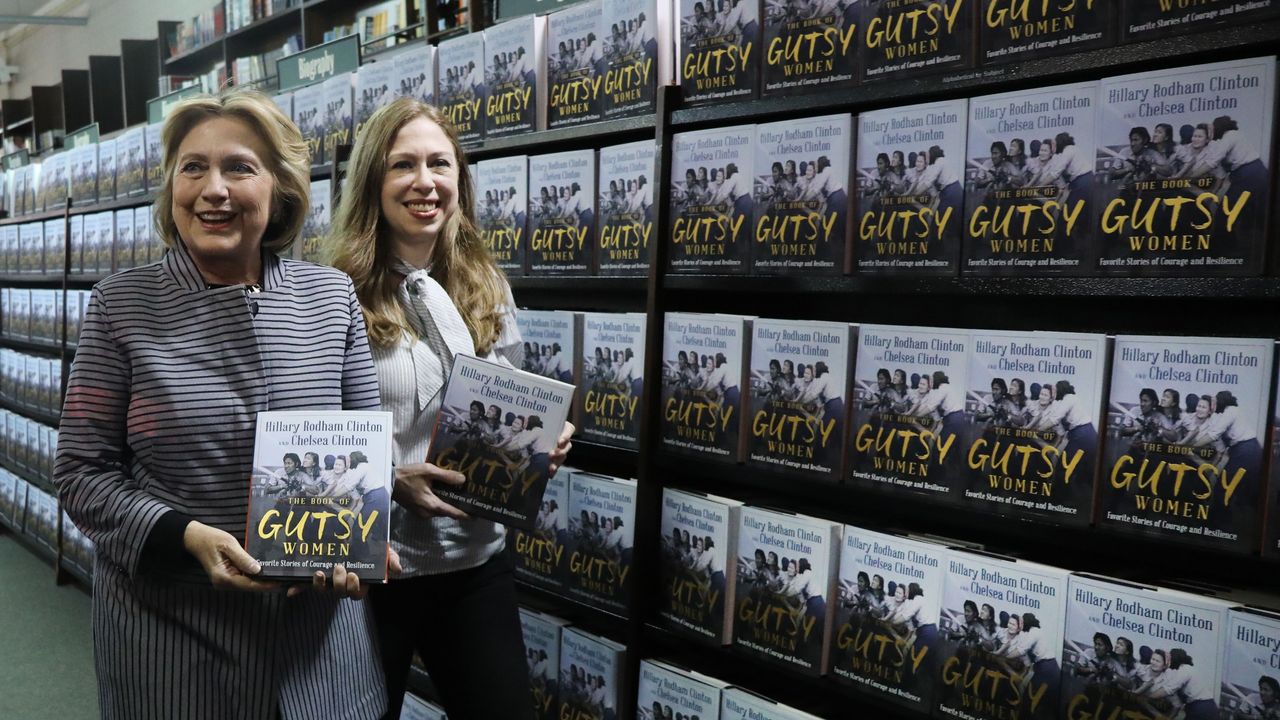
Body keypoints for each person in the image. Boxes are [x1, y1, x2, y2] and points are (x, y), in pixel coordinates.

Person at [54, 89, 388, 719]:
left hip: (317, 645)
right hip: (172, 634)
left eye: (239, 167)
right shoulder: (120, 305)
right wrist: (183, 535)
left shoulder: (331, 298)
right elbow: (81, 473)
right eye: (193, 167)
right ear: (171, 185)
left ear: (280, 188)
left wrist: (363, 539)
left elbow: (365, 459)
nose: (214, 189)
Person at [327, 97, 574, 720]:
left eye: (440, 163)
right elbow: (307, 431)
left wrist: (540, 436)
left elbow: (506, 390)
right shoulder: (329, 290)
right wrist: (385, 479)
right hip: (370, 570)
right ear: (372, 183)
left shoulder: (483, 280)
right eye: (402, 165)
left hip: (472, 557)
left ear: (459, 180)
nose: (424, 181)